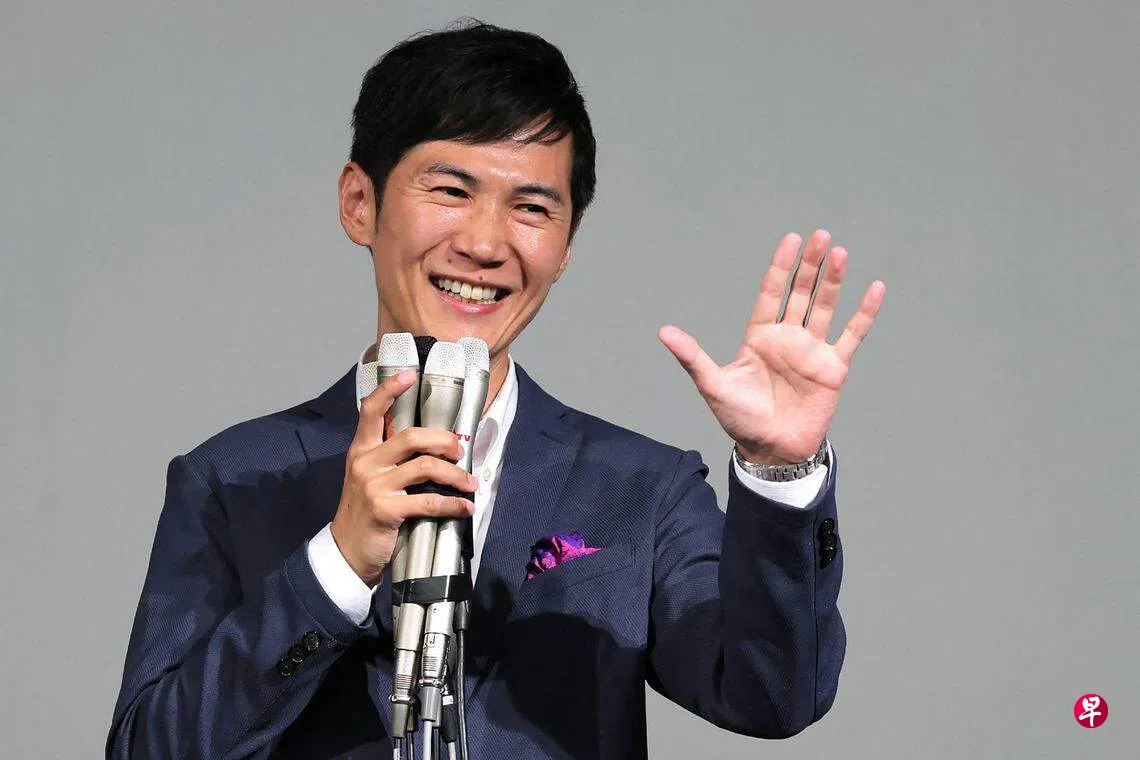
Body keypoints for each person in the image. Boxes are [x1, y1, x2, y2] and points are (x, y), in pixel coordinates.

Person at [108, 20, 885, 760]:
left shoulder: (642, 488)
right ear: (359, 203)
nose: (484, 244)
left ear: (567, 245)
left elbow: (774, 695)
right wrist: (337, 564)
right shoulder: (233, 479)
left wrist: (781, 471)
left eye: (532, 208)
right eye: (451, 190)